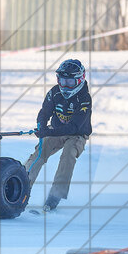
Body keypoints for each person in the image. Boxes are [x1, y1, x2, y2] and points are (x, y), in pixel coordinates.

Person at [25, 59, 92, 212]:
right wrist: (41, 126)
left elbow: (74, 126)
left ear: (79, 80)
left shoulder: (84, 98)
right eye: (62, 80)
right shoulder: (55, 92)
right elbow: (44, 112)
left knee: (68, 155)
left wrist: (47, 132)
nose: (65, 85)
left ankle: (56, 195)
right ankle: (22, 185)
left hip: (77, 135)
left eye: (69, 81)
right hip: (56, 130)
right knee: (40, 152)